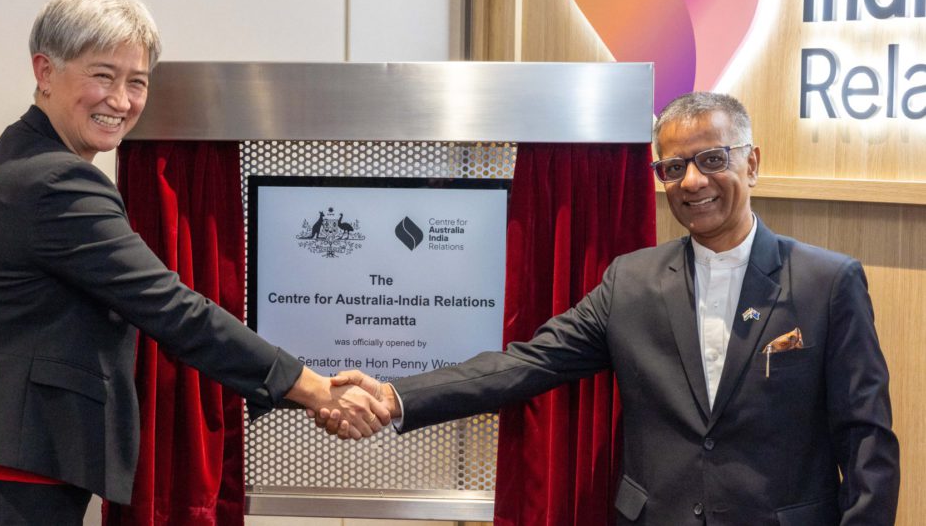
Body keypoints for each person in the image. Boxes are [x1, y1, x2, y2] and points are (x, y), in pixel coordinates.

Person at [0, 0, 389, 525]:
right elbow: (172, 307)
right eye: (102, 75)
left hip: (1, 465)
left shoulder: (30, 157)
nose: (120, 100)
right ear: (45, 71)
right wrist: (315, 388)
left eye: (136, 82)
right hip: (1, 478)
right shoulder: (55, 180)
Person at [319, 92, 900, 525]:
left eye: (713, 159)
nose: (692, 181)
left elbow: (867, 442)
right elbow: (527, 363)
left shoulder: (828, 282)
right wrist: (395, 397)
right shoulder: (633, 281)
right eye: (672, 168)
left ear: (751, 163)